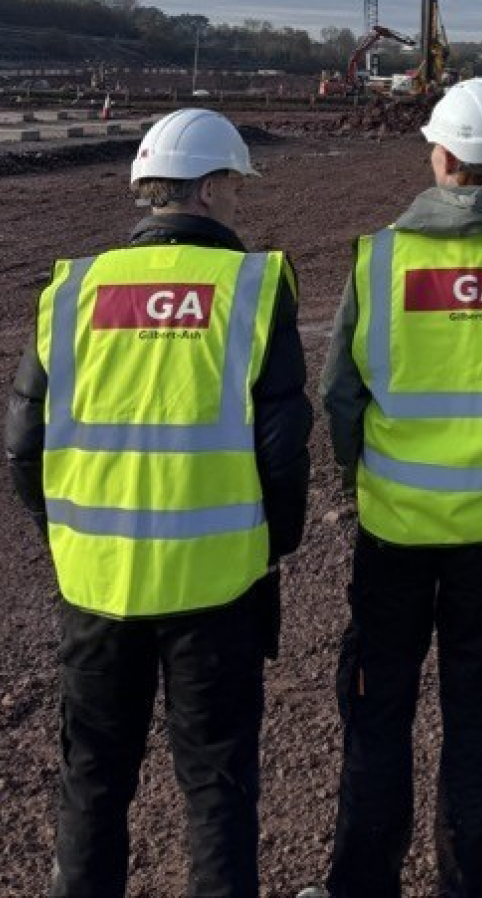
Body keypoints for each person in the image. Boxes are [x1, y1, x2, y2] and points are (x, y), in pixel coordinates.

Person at [5, 107, 313, 898]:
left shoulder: (73, 289)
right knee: (216, 786)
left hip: (96, 588)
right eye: (234, 189)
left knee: (94, 781)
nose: (237, 204)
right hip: (217, 590)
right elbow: (282, 446)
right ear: (209, 191)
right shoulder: (251, 285)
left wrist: (68, 540)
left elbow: (22, 448)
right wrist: (270, 546)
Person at [301, 78, 482, 898]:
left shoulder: (382, 254)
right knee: (476, 713)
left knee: (378, 709)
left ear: (441, 155)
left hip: (391, 527)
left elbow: (339, 394)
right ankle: (475, 879)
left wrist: (357, 476)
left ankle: (361, 883)